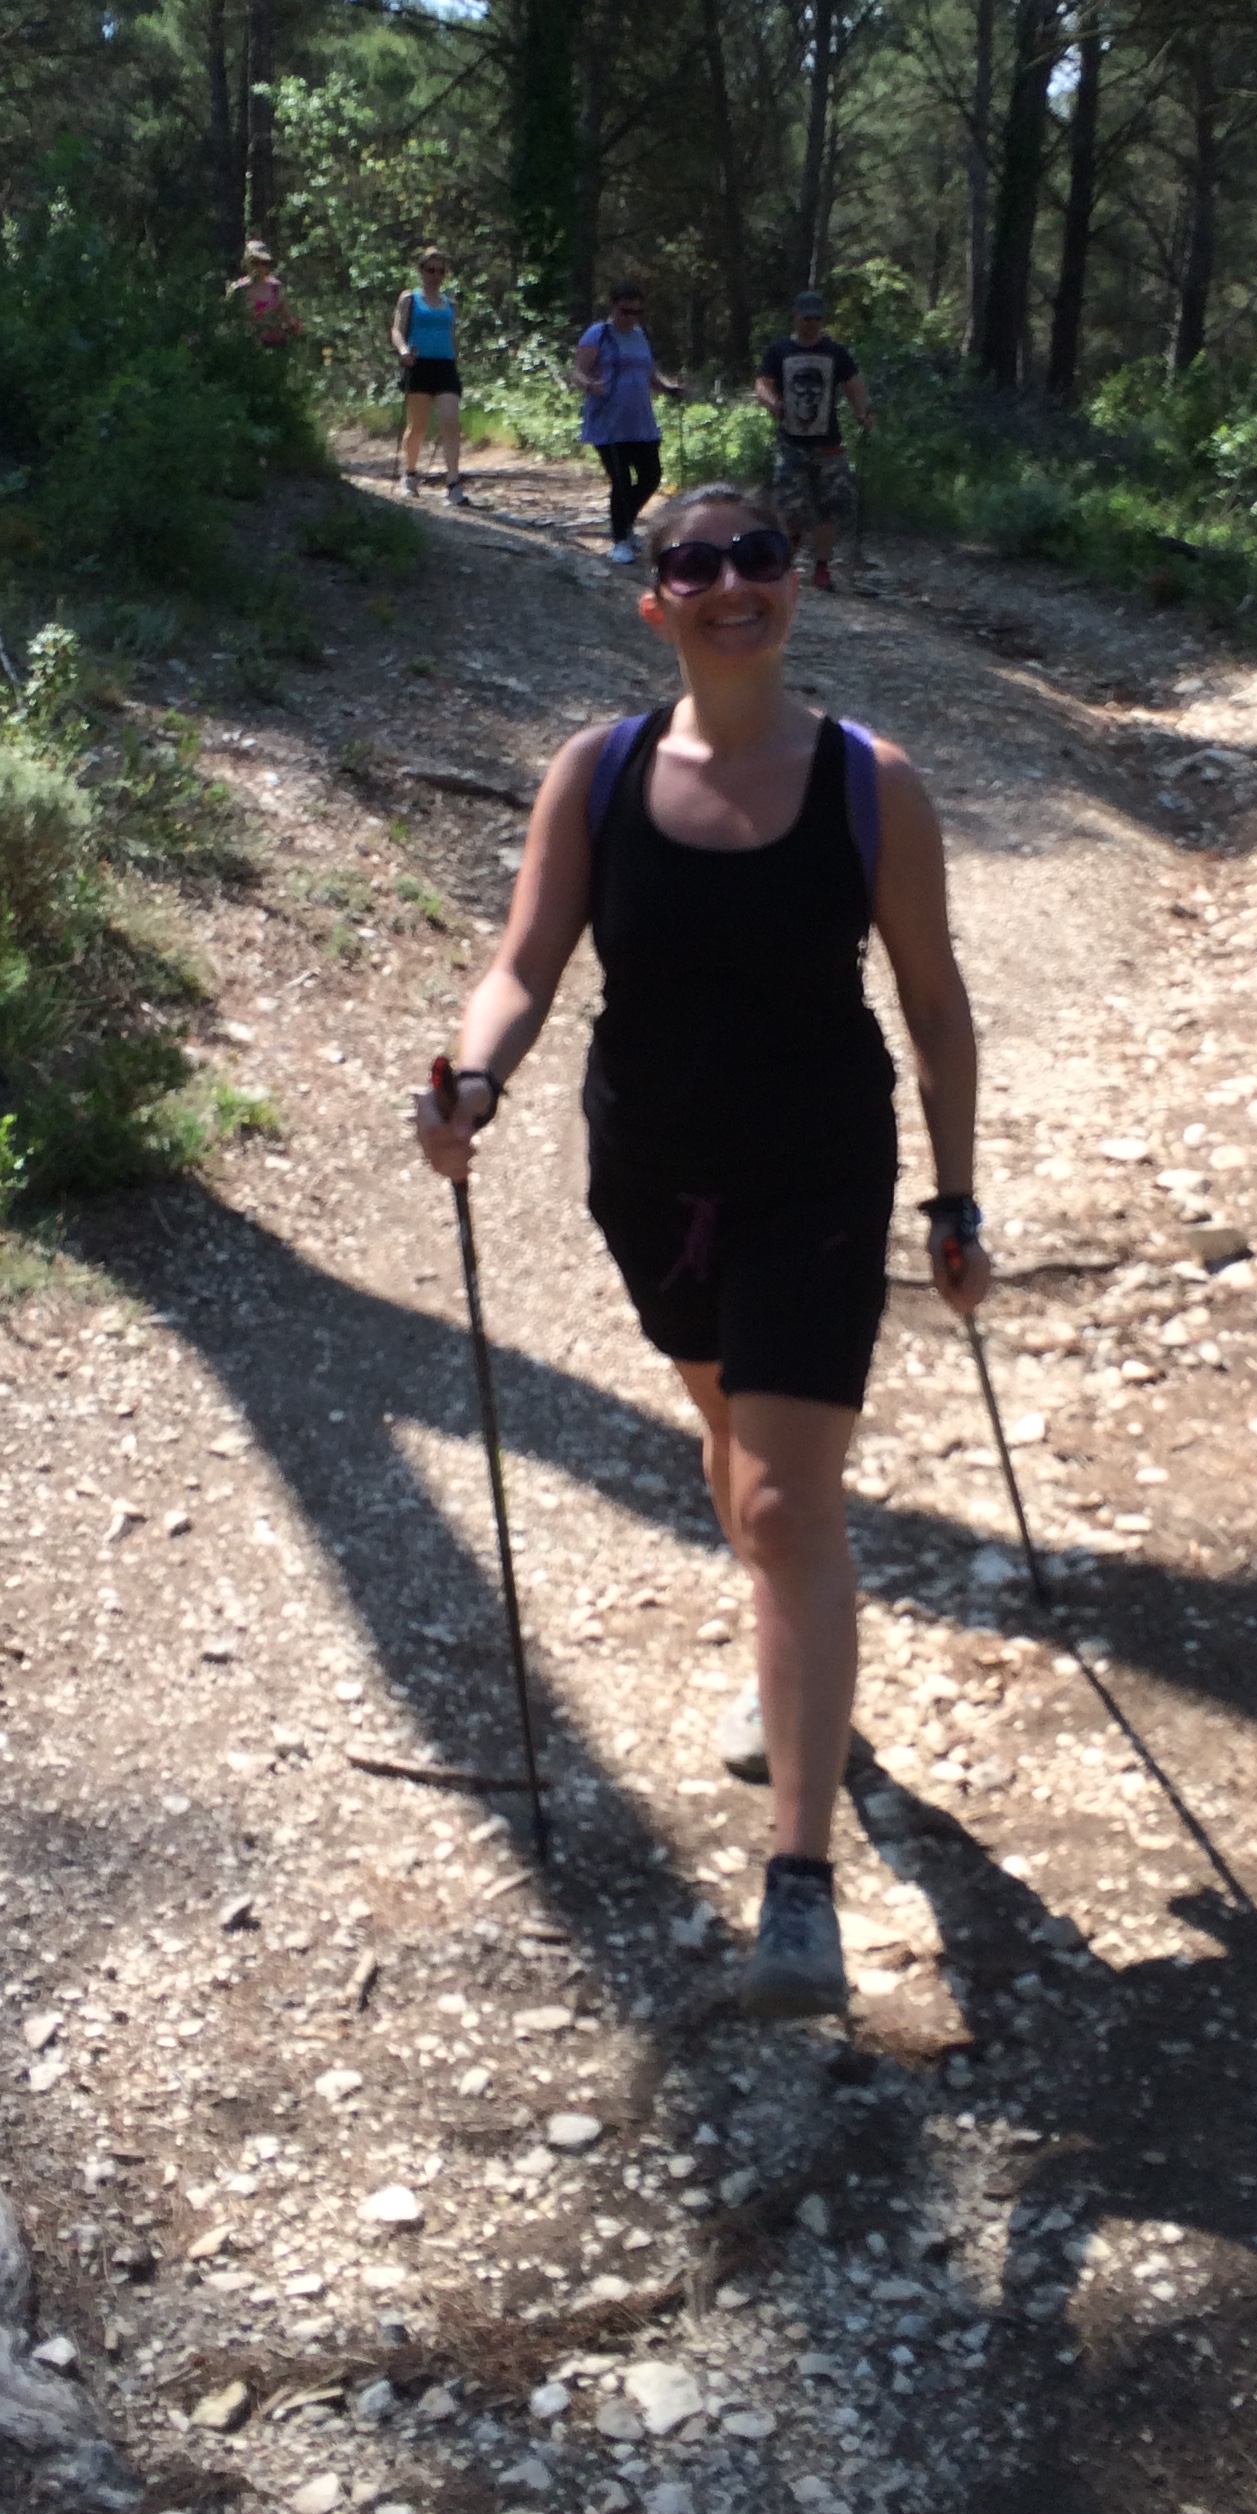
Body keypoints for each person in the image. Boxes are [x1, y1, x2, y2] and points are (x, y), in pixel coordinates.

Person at [414, 479, 992, 2021]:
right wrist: (475, 1078)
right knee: (735, 1452)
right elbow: (524, 963)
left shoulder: (873, 784)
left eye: (760, 556)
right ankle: (794, 1674)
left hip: (819, 1171)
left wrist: (954, 1199)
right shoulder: (596, 773)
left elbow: (935, 1005)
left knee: (789, 1499)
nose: (735, 583)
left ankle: (800, 1883)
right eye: (697, 564)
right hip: (654, 1174)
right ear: (654, 598)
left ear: (796, 580)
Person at [755, 286, 873, 591]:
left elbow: (854, 386)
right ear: (795, 316)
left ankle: (821, 568)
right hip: (791, 442)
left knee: (830, 507)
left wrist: (863, 412)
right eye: (806, 318)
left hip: (828, 444)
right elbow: (762, 383)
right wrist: (771, 402)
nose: (811, 323)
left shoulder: (835, 352)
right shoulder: (780, 350)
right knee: (790, 511)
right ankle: (784, 565)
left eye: (816, 318)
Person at [573, 279, 687, 564]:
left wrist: (669, 389)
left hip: (640, 421)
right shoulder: (598, 334)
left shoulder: (639, 335)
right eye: (625, 311)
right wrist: (590, 385)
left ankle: (625, 524)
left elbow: (649, 375)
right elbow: (578, 372)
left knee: (651, 476)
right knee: (621, 480)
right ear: (613, 307)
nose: (631, 317)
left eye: (637, 312)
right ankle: (619, 539)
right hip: (608, 421)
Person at [392, 248, 469, 505]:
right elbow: (397, 329)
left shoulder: (450, 303)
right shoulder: (410, 299)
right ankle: (410, 474)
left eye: (441, 271)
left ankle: (453, 484)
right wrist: (403, 350)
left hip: (445, 365)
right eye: (431, 270)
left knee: (450, 421)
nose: (436, 276)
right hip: (419, 364)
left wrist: (455, 358)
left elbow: (451, 334)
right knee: (418, 426)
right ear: (421, 270)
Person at [226, 236, 301, 348]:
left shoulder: (276, 288)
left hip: (273, 345)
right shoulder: (238, 289)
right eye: (255, 262)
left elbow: (287, 315)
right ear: (246, 263)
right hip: (244, 345)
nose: (260, 267)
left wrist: (293, 325)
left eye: (264, 263)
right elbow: (229, 321)